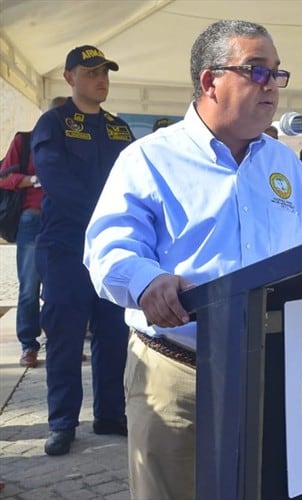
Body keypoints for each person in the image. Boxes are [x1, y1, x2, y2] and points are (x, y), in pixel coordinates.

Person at [83, 20, 302, 499]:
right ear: (209, 81)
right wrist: (146, 281)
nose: (272, 86)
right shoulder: (149, 158)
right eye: (257, 71)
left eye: (277, 74)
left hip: (275, 368)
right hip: (179, 372)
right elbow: (107, 246)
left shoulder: (283, 164)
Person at [32, 45, 134, 457]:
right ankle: (62, 422)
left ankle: (110, 413)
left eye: (105, 72)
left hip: (113, 250)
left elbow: (135, 181)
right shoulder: (53, 123)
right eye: (91, 72)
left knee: (113, 333)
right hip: (66, 248)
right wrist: (107, 215)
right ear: (69, 77)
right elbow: (55, 179)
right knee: (65, 335)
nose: (101, 79)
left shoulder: (119, 128)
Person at [0, 96, 65, 368]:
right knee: (29, 287)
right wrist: (33, 180)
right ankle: (29, 345)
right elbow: (5, 177)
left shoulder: (72, 143)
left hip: (63, 222)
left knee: (59, 287)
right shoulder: (25, 141)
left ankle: (60, 343)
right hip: (33, 220)